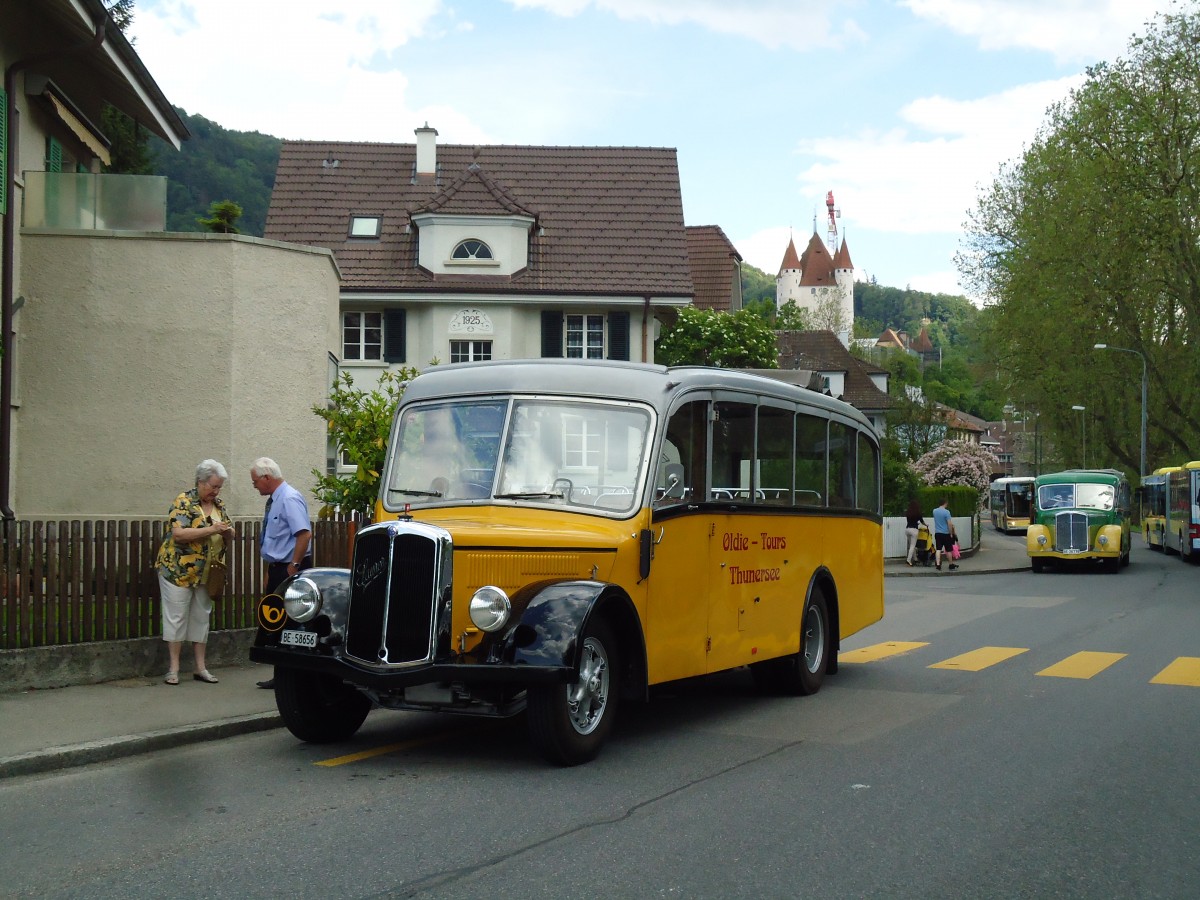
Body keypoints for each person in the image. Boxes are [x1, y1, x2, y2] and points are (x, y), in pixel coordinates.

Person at [155, 459, 235, 685]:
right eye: (213, 486)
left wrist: (228, 532)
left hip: (207, 573)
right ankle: (173, 668)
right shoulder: (184, 501)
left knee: (201, 617)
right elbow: (179, 535)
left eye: (219, 487)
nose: (216, 491)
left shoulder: (219, 505)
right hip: (178, 571)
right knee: (177, 617)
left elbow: (229, 529)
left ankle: (201, 668)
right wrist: (211, 529)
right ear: (201, 482)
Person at [251, 457, 313, 689]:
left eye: (255, 481)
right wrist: (272, 569)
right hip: (279, 568)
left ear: (267, 478)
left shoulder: (288, 498)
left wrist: (293, 565)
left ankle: (292, 678)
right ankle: (282, 676)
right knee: (277, 622)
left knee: (291, 623)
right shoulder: (276, 499)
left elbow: (304, 534)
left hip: (291, 568)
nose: (255, 485)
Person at [932, 496, 958, 571]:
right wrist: (951, 533)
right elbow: (949, 524)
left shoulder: (934, 511)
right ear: (945, 503)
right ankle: (951, 564)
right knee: (948, 549)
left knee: (938, 549)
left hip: (938, 533)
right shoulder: (947, 512)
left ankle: (938, 564)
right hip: (946, 533)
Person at [904, 499, 927, 567]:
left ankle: (915, 559)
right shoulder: (918, 513)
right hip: (914, 530)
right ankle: (908, 560)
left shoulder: (908, 512)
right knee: (912, 546)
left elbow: (910, 521)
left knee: (911, 545)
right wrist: (926, 525)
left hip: (907, 529)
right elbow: (922, 521)